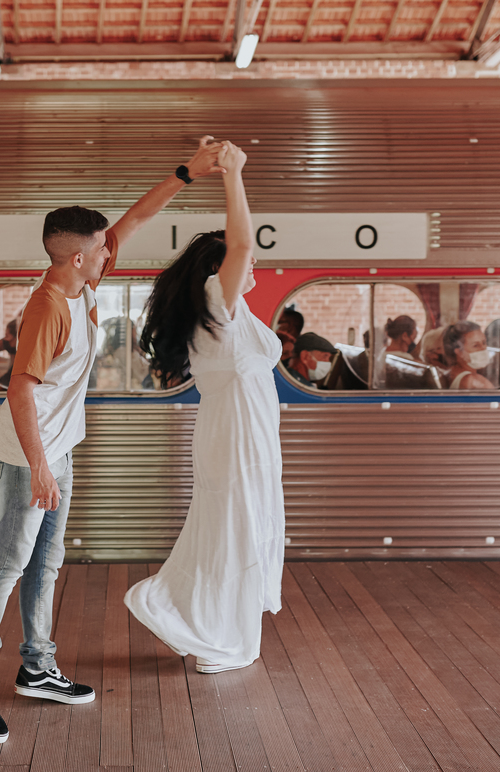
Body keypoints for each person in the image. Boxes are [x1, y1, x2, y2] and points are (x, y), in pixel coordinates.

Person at [0, 136, 227, 745]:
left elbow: (136, 218)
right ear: (78, 256)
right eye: (101, 248)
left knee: (46, 564)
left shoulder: (83, 283)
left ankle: (37, 668)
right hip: (26, 455)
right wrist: (40, 466)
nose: (111, 252)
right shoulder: (49, 307)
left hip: (56, 449)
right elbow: (20, 391)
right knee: (8, 564)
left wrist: (187, 172)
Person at [125, 141, 284, 676]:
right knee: (234, 529)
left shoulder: (228, 312)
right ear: (217, 271)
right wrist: (233, 174)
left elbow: (241, 249)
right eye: (242, 261)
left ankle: (222, 634)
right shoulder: (219, 303)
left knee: (237, 527)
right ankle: (213, 636)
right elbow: (242, 244)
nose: (254, 260)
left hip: (244, 434)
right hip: (236, 435)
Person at [443, 321, 495, 390]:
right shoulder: (474, 381)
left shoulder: (450, 374)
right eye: (476, 345)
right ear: (459, 352)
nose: (483, 348)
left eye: (484, 342)